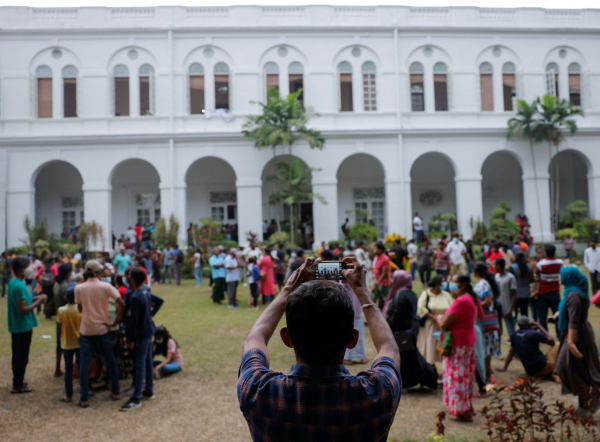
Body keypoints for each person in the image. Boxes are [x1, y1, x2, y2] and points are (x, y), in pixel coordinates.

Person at [238, 256, 401, 441]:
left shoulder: (258, 391)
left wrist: (288, 289)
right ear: (352, 339)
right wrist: (361, 290)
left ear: (286, 338)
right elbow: (389, 348)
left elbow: (254, 338)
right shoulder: (378, 394)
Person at [75, 260, 125, 408]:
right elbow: (121, 304)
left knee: (84, 364)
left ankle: (84, 398)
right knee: (111, 360)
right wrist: (115, 322)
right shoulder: (106, 286)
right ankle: (115, 392)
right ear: (98, 272)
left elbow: (79, 308)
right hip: (103, 328)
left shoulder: (79, 288)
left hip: (86, 329)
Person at [556, 266, 600, 417]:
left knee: (569, 368)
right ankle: (583, 406)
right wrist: (558, 314)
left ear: (569, 277)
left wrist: (570, 342)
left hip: (577, 336)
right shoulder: (570, 291)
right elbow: (567, 311)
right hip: (576, 335)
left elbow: (574, 321)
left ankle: (594, 397)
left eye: (561, 275)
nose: (559, 278)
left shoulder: (573, 295)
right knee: (578, 370)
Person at [386, 270, 438, 390]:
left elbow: (397, 315)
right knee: (410, 355)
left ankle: (417, 379)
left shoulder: (400, 295)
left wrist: (391, 329)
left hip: (402, 331)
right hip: (411, 330)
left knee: (405, 357)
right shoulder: (411, 293)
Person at [438, 275, 480, 422]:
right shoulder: (471, 298)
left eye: (454, 282)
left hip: (458, 343)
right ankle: (467, 407)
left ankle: (459, 410)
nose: (450, 284)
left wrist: (439, 318)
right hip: (468, 340)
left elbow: (444, 323)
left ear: (462, 286)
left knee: (456, 376)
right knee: (466, 377)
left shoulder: (461, 301)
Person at [120, 268, 157, 411]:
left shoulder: (135, 297)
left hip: (141, 334)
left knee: (140, 363)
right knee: (147, 361)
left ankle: (136, 398)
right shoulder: (145, 291)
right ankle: (149, 390)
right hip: (148, 332)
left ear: (133, 279)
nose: (127, 278)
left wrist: (130, 339)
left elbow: (134, 321)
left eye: (129, 277)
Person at [7, 257, 46, 394]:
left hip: (17, 325)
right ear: (20, 270)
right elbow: (22, 309)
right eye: (27, 266)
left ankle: (17, 381)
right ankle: (17, 386)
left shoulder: (14, 282)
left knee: (17, 355)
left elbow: (24, 301)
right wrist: (38, 302)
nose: (30, 268)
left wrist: (37, 298)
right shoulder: (19, 286)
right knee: (22, 357)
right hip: (22, 326)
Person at [497, 316, 559, 381]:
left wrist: (505, 367)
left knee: (544, 356)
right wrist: (540, 326)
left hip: (530, 372)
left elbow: (511, 352)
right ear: (528, 324)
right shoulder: (534, 333)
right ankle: (554, 372)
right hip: (544, 367)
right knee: (558, 344)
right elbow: (552, 342)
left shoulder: (514, 335)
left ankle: (548, 374)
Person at [417, 274, 454, 365]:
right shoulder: (426, 294)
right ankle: (431, 368)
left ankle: (445, 369)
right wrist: (436, 319)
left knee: (443, 348)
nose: (445, 283)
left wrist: (444, 319)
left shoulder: (446, 295)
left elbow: (452, 308)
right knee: (430, 347)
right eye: (443, 282)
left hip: (443, 325)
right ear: (437, 284)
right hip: (430, 326)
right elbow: (421, 309)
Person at [473, 262, 501, 381]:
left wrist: (474, 306)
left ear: (475, 273)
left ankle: (486, 373)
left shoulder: (483, 284)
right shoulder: (485, 282)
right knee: (486, 346)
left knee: (485, 346)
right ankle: (487, 371)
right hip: (484, 318)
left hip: (483, 319)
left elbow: (487, 302)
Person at [57, 287, 82, 402]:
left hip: (67, 343)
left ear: (65, 297)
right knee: (82, 367)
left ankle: (69, 395)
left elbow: (59, 324)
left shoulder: (61, 310)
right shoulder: (80, 310)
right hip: (80, 342)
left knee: (68, 369)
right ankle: (84, 391)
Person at [535, 244, 563, 333]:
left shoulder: (541, 264)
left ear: (546, 253)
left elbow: (537, 274)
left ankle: (544, 334)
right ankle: (559, 334)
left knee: (542, 315)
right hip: (555, 292)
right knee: (557, 314)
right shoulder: (560, 262)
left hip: (543, 293)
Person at [52, 263, 72, 378]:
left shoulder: (56, 285)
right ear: (68, 274)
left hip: (59, 317)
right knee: (68, 345)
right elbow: (68, 300)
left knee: (59, 345)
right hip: (67, 318)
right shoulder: (65, 286)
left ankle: (57, 368)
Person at [342, 277, 368, 365]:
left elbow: (341, 291)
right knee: (358, 333)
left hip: (349, 306)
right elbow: (366, 290)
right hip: (356, 306)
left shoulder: (344, 274)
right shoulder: (358, 273)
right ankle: (361, 356)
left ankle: (351, 357)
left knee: (349, 333)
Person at [495, 258, 517, 337]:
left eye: (495, 265)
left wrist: (511, 309)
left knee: (511, 331)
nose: (493, 266)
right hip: (498, 308)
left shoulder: (510, 277)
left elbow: (514, 294)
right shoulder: (496, 277)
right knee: (498, 330)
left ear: (499, 266)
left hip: (507, 308)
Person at [511, 252, 532, 317]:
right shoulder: (528, 266)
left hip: (515, 294)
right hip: (526, 293)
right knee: (524, 312)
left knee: (515, 313)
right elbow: (531, 279)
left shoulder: (512, 267)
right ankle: (525, 325)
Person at [372, 242, 391, 309]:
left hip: (384, 284)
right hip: (377, 282)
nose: (374, 250)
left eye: (375, 249)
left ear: (380, 250)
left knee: (386, 302)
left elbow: (384, 274)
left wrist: (376, 285)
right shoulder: (377, 257)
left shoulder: (385, 259)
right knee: (373, 299)